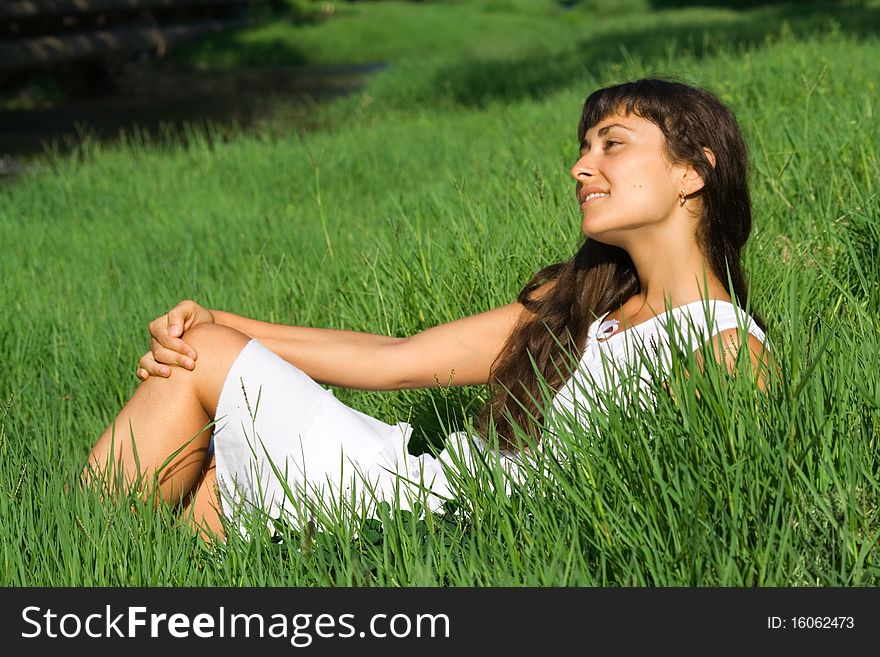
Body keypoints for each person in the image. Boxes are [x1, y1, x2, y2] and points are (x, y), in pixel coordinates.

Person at [83, 78, 773, 541]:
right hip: (421, 484)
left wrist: (212, 340)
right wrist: (223, 322)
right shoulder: (582, 302)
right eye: (583, 148)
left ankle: (47, 592)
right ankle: (68, 582)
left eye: (612, 144)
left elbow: (683, 522)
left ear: (693, 171)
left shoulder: (725, 349)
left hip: (455, 521)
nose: (581, 167)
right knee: (207, 449)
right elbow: (397, 360)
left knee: (206, 420)